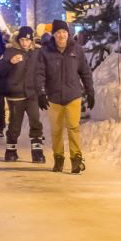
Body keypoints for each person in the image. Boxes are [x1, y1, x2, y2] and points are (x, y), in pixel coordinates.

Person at [35, 20, 95, 174]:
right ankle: (58, 158)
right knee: (56, 130)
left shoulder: (77, 50)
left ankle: (76, 159)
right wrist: (41, 93)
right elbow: (39, 74)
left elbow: (85, 72)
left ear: (68, 33)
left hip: (73, 95)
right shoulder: (45, 52)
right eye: (58, 32)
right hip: (54, 97)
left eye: (64, 32)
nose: (61, 35)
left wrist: (90, 92)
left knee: (73, 128)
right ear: (53, 35)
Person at [0, 26, 44, 163]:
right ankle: (11, 150)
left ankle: (37, 151)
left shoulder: (36, 52)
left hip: (32, 94)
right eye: (22, 40)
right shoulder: (10, 51)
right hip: (15, 94)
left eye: (28, 40)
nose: (25, 43)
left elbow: (41, 71)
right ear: (18, 39)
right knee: (15, 124)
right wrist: (9, 63)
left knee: (35, 120)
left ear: (32, 40)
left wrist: (42, 91)